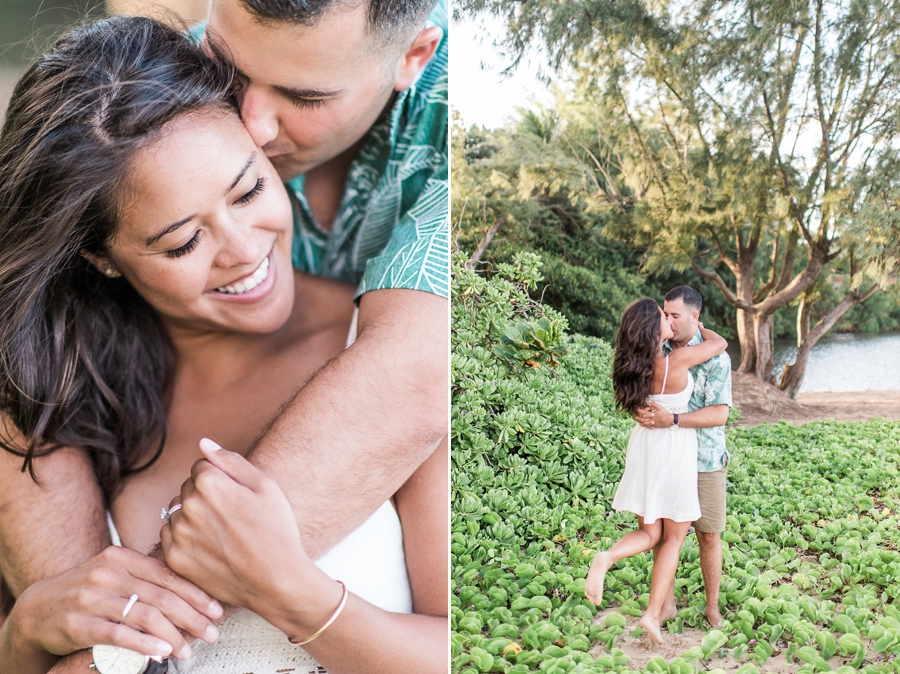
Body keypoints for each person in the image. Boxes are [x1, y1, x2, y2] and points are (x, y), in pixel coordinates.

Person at [0, 16, 446, 674]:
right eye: (182, 242)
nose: (245, 251)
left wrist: (297, 596)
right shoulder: (68, 401)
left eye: (251, 190)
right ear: (100, 257)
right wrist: (23, 637)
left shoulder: (382, 360)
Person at [583, 298, 727, 643]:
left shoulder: (635, 365)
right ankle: (651, 614)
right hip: (674, 449)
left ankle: (608, 556)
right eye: (664, 316)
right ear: (653, 328)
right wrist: (700, 324)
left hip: (645, 448)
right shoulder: (677, 360)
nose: (669, 321)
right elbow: (719, 344)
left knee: (651, 535)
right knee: (674, 537)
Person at [634, 286, 732, 628]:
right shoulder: (654, 347)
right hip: (663, 457)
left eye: (675, 316)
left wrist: (672, 420)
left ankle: (712, 607)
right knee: (660, 534)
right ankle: (665, 606)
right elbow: (635, 387)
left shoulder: (716, 358)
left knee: (708, 534)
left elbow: (720, 414)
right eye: (665, 314)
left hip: (704, 459)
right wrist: (638, 409)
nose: (668, 321)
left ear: (694, 317)